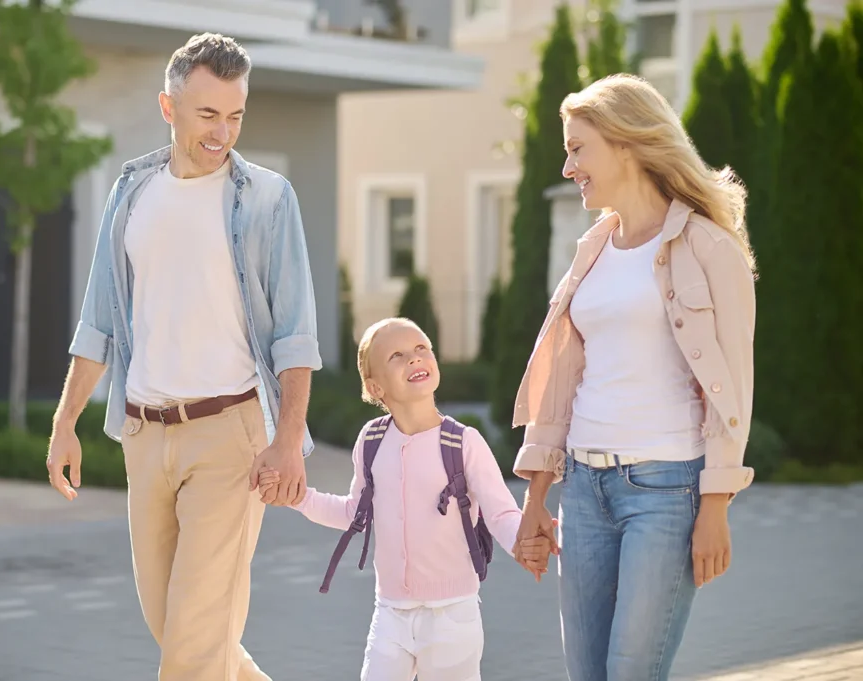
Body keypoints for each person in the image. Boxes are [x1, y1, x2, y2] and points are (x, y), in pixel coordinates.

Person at [44, 33, 323, 681]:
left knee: (194, 644)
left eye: (235, 115)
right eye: (207, 114)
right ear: (169, 108)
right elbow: (100, 320)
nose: (222, 131)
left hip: (232, 438)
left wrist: (286, 441)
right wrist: (65, 421)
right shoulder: (132, 194)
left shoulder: (267, 200)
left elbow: (296, 336)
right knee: (178, 628)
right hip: (145, 435)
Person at [511, 74, 756, 681]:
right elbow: (565, 381)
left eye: (577, 148)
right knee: (587, 673)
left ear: (625, 143)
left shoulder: (707, 247)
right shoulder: (592, 249)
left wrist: (716, 502)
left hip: (666, 491)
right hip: (585, 492)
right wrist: (537, 496)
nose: (569, 166)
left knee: (630, 672)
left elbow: (734, 384)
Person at [259, 317, 552, 681]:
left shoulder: (463, 443)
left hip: (452, 616)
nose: (415, 359)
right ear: (374, 386)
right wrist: (298, 498)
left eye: (421, 349)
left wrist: (523, 543)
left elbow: (500, 513)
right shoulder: (371, 441)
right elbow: (353, 512)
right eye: (397, 355)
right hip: (391, 613)